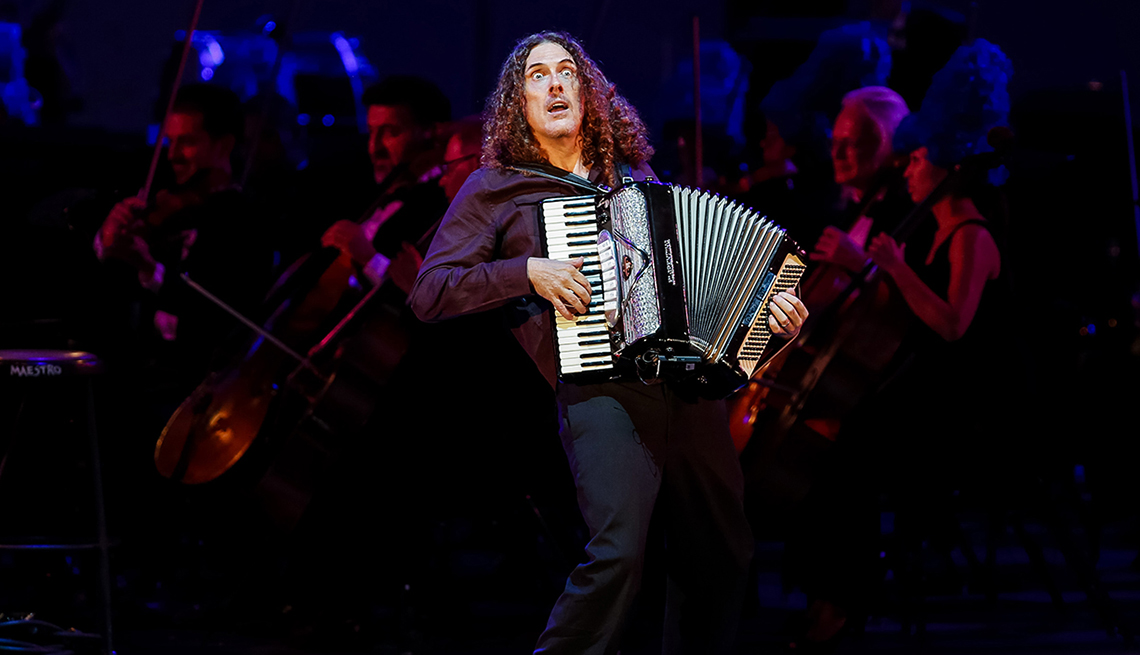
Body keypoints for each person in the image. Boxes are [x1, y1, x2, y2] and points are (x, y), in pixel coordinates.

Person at [408, 31, 809, 654]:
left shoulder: (634, 178)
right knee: (619, 553)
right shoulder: (494, 189)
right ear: (519, 102)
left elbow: (694, 298)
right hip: (598, 390)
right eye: (537, 76)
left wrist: (768, 322)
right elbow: (429, 292)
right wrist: (527, 273)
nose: (556, 83)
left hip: (684, 386)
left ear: (589, 91)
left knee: (722, 550)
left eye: (567, 70)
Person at [780, 39, 1014, 650]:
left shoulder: (971, 234)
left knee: (844, 450)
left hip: (953, 408)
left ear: (941, 161)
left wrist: (893, 268)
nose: (905, 170)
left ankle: (843, 597)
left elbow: (953, 327)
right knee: (831, 441)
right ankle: (826, 589)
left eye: (913, 162)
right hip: (917, 391)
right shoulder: (937, 228)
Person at [94, 82, 274, 396]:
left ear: (224, 146)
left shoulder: (245, 221)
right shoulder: (163, 207)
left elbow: (217, 316)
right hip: (137, 375)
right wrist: (107, 242)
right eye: (170, 142)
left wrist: (151, 271)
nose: (173, 155)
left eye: (187, 142)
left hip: (198, 386)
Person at [317, 75, 451, 298]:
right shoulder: (370, 191)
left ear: (431, 133)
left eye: (390, 132)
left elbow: (431, 297)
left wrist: (368, 258)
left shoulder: (445, 202)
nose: (374, 147)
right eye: (371, 132)